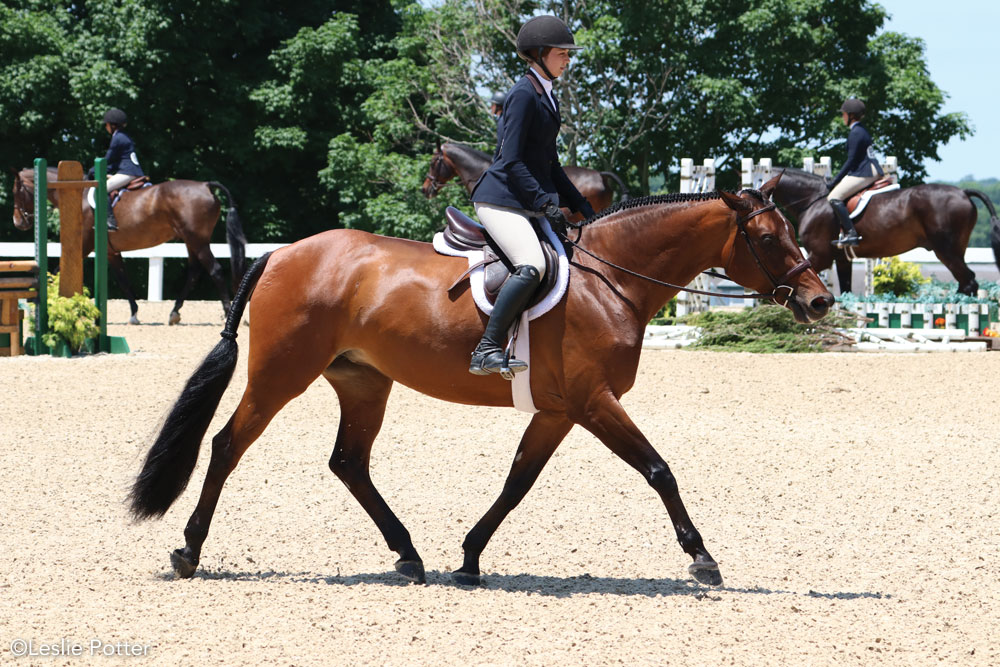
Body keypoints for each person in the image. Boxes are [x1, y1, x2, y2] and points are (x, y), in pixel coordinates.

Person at [468, 15, 596, 377]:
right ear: (539, 54)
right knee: (533, 264)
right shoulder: (523, 94)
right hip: (501, 200)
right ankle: (487, 348)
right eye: (561, 53)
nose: (567, 60)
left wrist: (582, 205)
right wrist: (544, 204)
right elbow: (510, 161)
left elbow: (550, 164)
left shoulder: (546, 94)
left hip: (524, 201)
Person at [827, 98, 883, 246]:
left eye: (844, 114)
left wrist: (835, 181)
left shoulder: (856, 133)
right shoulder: (861, 130)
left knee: (834, 197)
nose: (842, 117)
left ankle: (851, 233)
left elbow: (851, 160)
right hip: (867, 168)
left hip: (865, 171)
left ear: (851, 115)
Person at [100, 108, 145, 230]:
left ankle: (110, 221)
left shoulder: (117, 138)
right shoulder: (124, 136)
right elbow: (116, 162)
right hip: (130, 170)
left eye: (107, 125)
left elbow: (108, 159)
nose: (106, 127)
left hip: (128, 172)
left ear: (112, 125)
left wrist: (93, 171)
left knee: (101, 189)